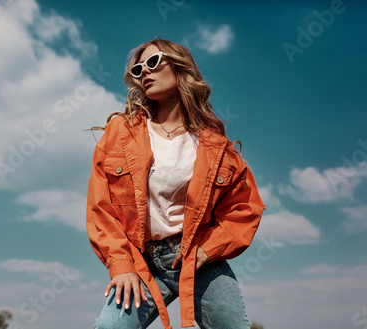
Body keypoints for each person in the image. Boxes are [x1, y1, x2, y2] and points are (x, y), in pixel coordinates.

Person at [86, 37, 265, 329]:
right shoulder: (120, 132)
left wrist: (206, 252)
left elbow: (245, 207)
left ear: (180, 67)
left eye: (154, 62)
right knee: (110, 327)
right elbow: (100, 207)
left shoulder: (215, 145)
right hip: (141, 261)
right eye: (137, 69)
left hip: (198, 257)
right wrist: (120, 266)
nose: (144, 71)